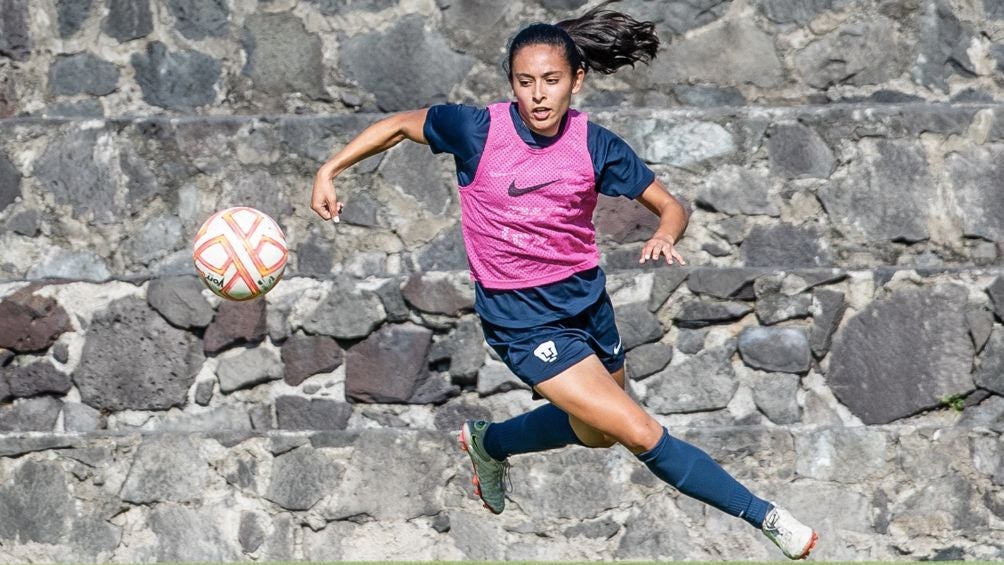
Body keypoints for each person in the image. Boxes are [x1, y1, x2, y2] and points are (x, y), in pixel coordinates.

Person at [311, 1, 818, 559]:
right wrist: (328, 170)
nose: (539, 94)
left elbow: (670, 206)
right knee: (638, 431)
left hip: (587, 306)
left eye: (551, 80)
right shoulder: (475, 128)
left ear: (576, 79)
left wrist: (666, 234)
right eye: (525, 82)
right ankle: (767, 516)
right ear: (511, 84)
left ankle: (491, 443)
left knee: (597, 433)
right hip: (521, 320)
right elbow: (395, 127)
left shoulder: (594, 144)